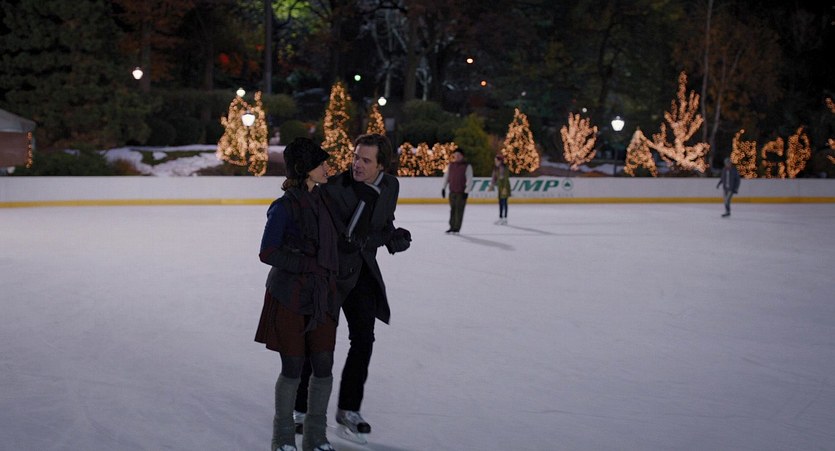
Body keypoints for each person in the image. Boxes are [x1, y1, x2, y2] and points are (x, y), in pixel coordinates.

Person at [294, 133, 411, 443]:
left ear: (381, 166)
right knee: (317, 342)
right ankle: (300, 408)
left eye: (366, 160)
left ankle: (348, 409)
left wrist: (394, 238)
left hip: (361, 273)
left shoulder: (390, 186)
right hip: (331, 275)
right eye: (356, 157)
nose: (357, 164)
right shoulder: (334, 188)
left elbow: (382, 221)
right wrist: (373, 239)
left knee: (363, 339)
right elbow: (337, 237)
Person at [255, 138, 339, 451]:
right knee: (292, 367)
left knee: (324, 363)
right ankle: (283, 438)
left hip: (321, 295)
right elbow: (267, 252)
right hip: (289, 295)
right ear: (305, 169)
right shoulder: (283, 207)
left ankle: (316, 436)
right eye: (321, 163)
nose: (327, 168)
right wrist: (307, 264)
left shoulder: (327, 202)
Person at [441, 149, 473, 234]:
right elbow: (446, 177)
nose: (457, 156)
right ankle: (451, 226)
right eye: (456, 155)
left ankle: (456, 228)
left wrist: (466, 191)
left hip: (461, 192)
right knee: (453, 210)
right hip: (452, 192)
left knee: (459, 210)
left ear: (462, 156)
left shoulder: (467, 166)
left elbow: (470, 179)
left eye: (459, 155)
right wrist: (443, 188)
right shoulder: (451, 165)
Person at [488, 154, 511, 225]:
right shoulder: (496, 169)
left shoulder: (504, 168)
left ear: (500, 161)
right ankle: (500, 218)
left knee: (504, 202)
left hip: (505, 186)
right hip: (500, 187)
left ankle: (505, 218)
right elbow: (494, 178)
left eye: (496, 161)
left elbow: (506, 178)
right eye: (495, 161)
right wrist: (492, 185)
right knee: (500, 202)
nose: (495, 162)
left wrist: (505, 188)